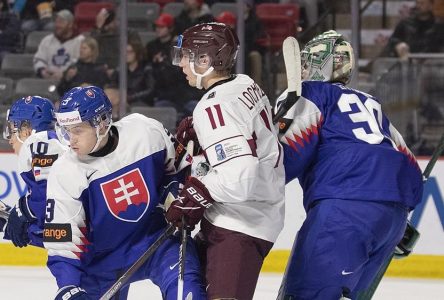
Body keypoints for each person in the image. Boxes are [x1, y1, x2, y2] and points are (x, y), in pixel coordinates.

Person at [274, 30, 423, 299]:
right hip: (393, 218)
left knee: (307, 295)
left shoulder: (309, 93)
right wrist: (400, 210)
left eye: (308, 62)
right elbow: (409, 164)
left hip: (344, 209)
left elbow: (289, 155)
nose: (303, 68)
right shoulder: (371, 104)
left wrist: (253, 183)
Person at [43, 86, 206, 300]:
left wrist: (174, 191)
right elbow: (63, 240)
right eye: (66, 130)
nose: (70, 139)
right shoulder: (65, 171)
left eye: (78, 130)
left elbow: (175, 170)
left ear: (101, 122)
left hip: (158, 242)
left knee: (188, 290)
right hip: (102, 262)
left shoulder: (144, 132)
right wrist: (68, 287)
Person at [166, 23, 285, 300]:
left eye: (187, 56)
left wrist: (196, 193)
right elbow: (247, 142)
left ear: (205, 60)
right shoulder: (244, 83)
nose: (181, 63)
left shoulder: (213, 107)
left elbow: (240, 178)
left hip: (240, 223)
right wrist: (203, 135)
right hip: (245, 216)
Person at [0, 96, 67, 248]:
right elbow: (55, 231)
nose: (10, 139)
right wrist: (8, 219)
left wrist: (21, 211)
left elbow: (48, 196)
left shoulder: (42, 143)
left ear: (26, 130)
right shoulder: (53, 143)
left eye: (12, 129)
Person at [33, 9, 84, 80]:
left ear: (70, 24)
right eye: (56, 22)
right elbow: (39, 59)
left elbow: (80, 62)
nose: (57, 25)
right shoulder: (47, 40)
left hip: (70, 81)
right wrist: (42, 71)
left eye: (61, 22)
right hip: (47, 79)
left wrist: (64, 73)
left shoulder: (80, 40)